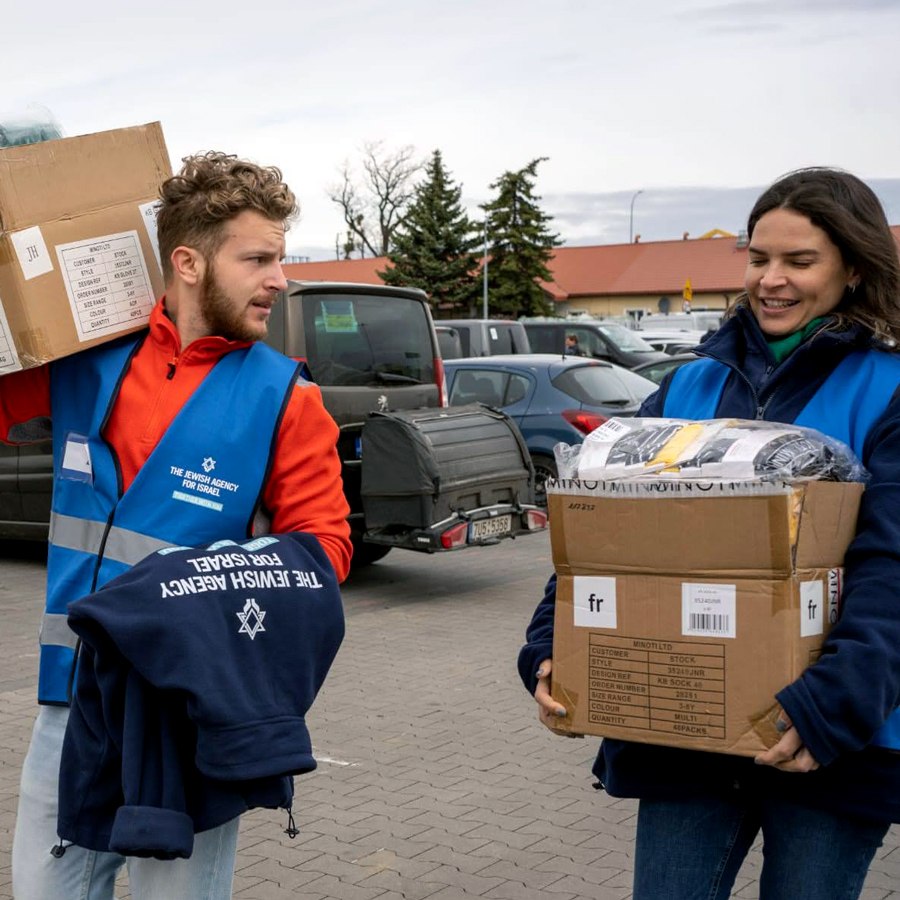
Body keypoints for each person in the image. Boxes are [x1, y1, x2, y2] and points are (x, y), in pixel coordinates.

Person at [519, 167, 900, 899]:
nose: (772, 280)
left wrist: (834, 704)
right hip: (682, 728)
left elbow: (893, 568)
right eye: (759, 259)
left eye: (799, 261)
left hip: (825, 739)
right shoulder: (688, 388)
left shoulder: (887, 391)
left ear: (852, 269)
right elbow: (602, 531)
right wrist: (551, 648)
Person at [4, 151, 353, 899]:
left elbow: (323, 553)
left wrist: (196, 586)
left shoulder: (286, 399)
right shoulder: (88, 360)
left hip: (190, 718)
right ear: (188, 262)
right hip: (70, 704)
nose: (278, 280)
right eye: (257, 259)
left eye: (279, 259)